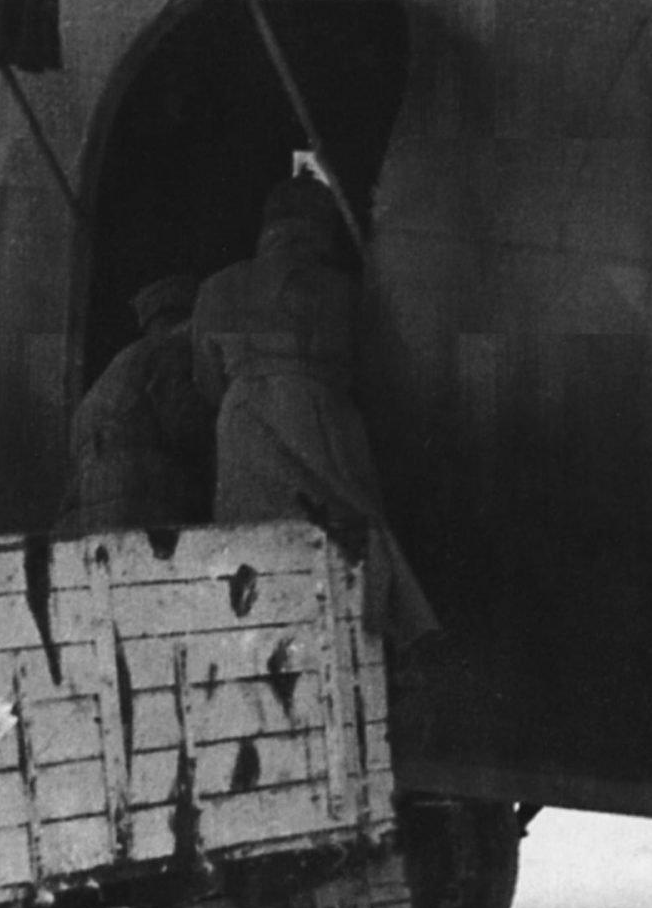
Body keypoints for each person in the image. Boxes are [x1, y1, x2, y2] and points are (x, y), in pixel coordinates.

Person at [190, 175, 441, 648]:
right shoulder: (350, 291)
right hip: (327, 419)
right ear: (323, 229)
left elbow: (206, 382)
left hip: (242, 427)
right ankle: (375, 643)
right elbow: (379, 378)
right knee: (352, 538)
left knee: (254, 540)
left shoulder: (218, 287)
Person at [59, 272, 213, 530]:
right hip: (143, 499)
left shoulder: (123, 363)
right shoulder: (171, 350)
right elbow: (187, 424)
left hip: (99, 501)